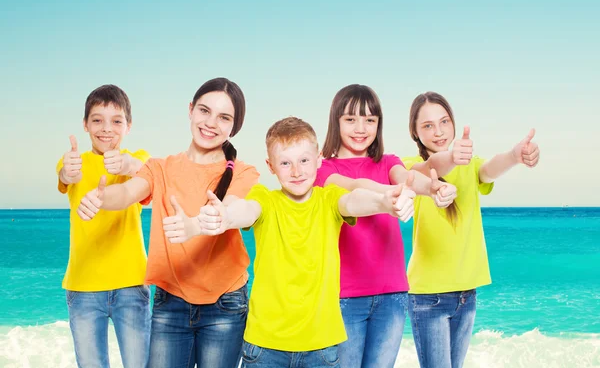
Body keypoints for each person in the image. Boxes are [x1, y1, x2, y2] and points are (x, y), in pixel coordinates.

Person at [163, 116, 416, 368]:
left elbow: (354, 200)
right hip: (265, 348)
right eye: (285, 163)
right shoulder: (266, 199)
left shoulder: (329, 199)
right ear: (270, 166)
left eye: (304, 160)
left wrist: (384, 202)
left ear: (318, 159)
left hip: (322, 347)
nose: (296, 171)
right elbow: (245, 210)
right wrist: (216, 219)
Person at [77, 77, 259, 368]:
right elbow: (126, 192)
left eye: (224, 117)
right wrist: (100, 198)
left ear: (234, 126)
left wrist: (208, 221)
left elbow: (240, 210)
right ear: (190, 110)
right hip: (169, 305)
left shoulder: (243, 172)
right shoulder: (159, 168)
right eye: (204, 111)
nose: (211, 123)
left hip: (225, 305)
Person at [313, 84, 458, 368]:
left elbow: (408, 178)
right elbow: (354, 186)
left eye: (370, 120)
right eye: (350, 119)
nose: (361, 128)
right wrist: (386, 194)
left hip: (392, 295)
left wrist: (435, 188)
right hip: (344, 296)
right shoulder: (324, 170)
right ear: (336, 122)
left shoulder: (388, 161)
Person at [403, 91, 540, 368]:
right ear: (415, 133)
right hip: (429, 296)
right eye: (427, 126)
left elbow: (490, 169)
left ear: (453, 123)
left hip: (467, 294)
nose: (438, 132)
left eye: (444, 122)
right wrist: (452, 156)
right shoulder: (409, 168)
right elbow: (430, 166)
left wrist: (515, 155)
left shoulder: (470, 166)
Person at [56, 84, 151, 368]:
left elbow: (144, 169)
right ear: (85, 125)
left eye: (116, 121)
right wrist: (66, 170)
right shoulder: (74, 161)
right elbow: (64, 174)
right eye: (97, 120)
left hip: (131, 284)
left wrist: (125, 164)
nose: (106, 128)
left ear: (128, 126)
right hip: (83, 287)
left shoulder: (138, 159)